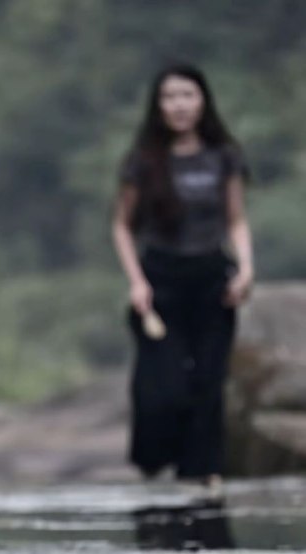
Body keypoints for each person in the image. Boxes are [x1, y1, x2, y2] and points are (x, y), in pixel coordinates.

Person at [112, 64, 254, 485]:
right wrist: (137, 282)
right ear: (158, 105)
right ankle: (153, 459)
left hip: (211, 278)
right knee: (166, 385)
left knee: (210, 381)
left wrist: (246, 268)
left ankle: (203, 473)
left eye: (187, 95)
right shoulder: (142, 161)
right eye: (170, 97)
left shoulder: (223, 156)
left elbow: (236, 219)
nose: (179, 105)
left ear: (203, 101)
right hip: (161, 280)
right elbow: (121, 225)